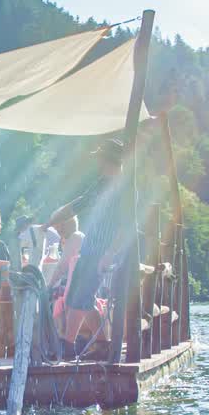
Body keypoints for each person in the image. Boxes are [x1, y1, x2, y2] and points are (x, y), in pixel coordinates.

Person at [60, 139, 129, 358]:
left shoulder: (125, 189)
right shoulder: (101, 183)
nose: (98, 162)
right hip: (90, 248)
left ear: (109, 160)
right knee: (76, 296)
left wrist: (110, 253)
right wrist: (50, 222)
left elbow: (126, 226)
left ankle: (67, 346)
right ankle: (102, 345)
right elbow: (78, 204)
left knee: (81, 295)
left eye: (101, 158)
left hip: (105, 252)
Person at [15, 215, 61, 280]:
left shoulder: (29, 232)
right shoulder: (34, 230)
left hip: (35, 267)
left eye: (20, 228)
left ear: (24, 225)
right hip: (40, 264)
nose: (20, 231)